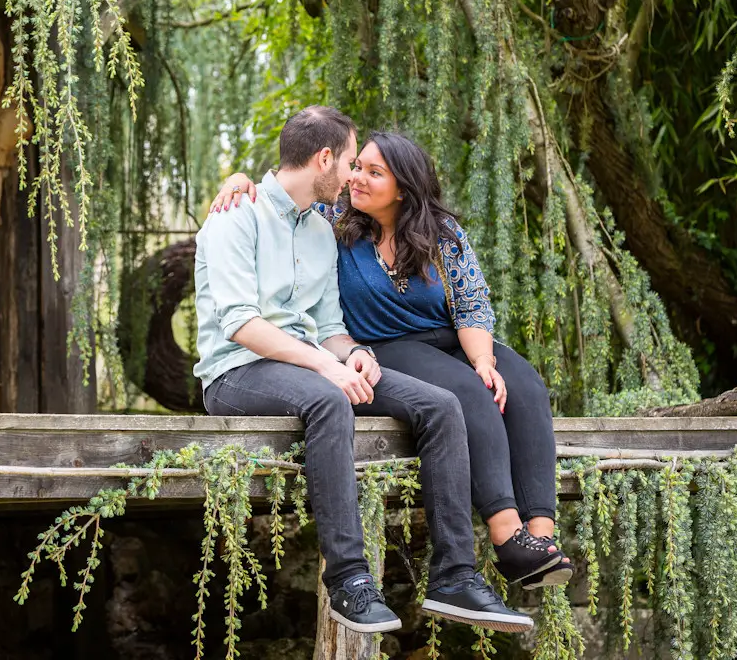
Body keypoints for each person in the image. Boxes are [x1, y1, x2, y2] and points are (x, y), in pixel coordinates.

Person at [194, 106, 538, 635]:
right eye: (352, 161)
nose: (354, 174)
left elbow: (329, 322)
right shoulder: (236, 214)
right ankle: (350, 581)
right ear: (325, 158)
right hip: (239, 371)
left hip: (313, 365)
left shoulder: (319, 229)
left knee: (439, 405)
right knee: (328, 400)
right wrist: (326, 367)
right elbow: (240, 324)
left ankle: (455, 576)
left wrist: (350, 352)